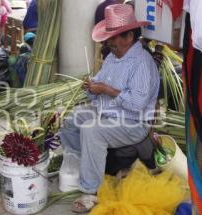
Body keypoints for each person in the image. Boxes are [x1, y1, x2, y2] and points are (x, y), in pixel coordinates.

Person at [59, 4, 160, 213]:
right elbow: (100, 83)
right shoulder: (114, 57)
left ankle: (90, 192)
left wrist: (107, 89)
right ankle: (79, 167)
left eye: (113, 37)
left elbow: (137, 104)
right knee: (72, 119)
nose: (108, 42)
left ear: (129, 36)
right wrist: (92, 86)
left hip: (133, 123)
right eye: (108, 37)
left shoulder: (142, 63)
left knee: (91, 130)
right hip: (108, 112)